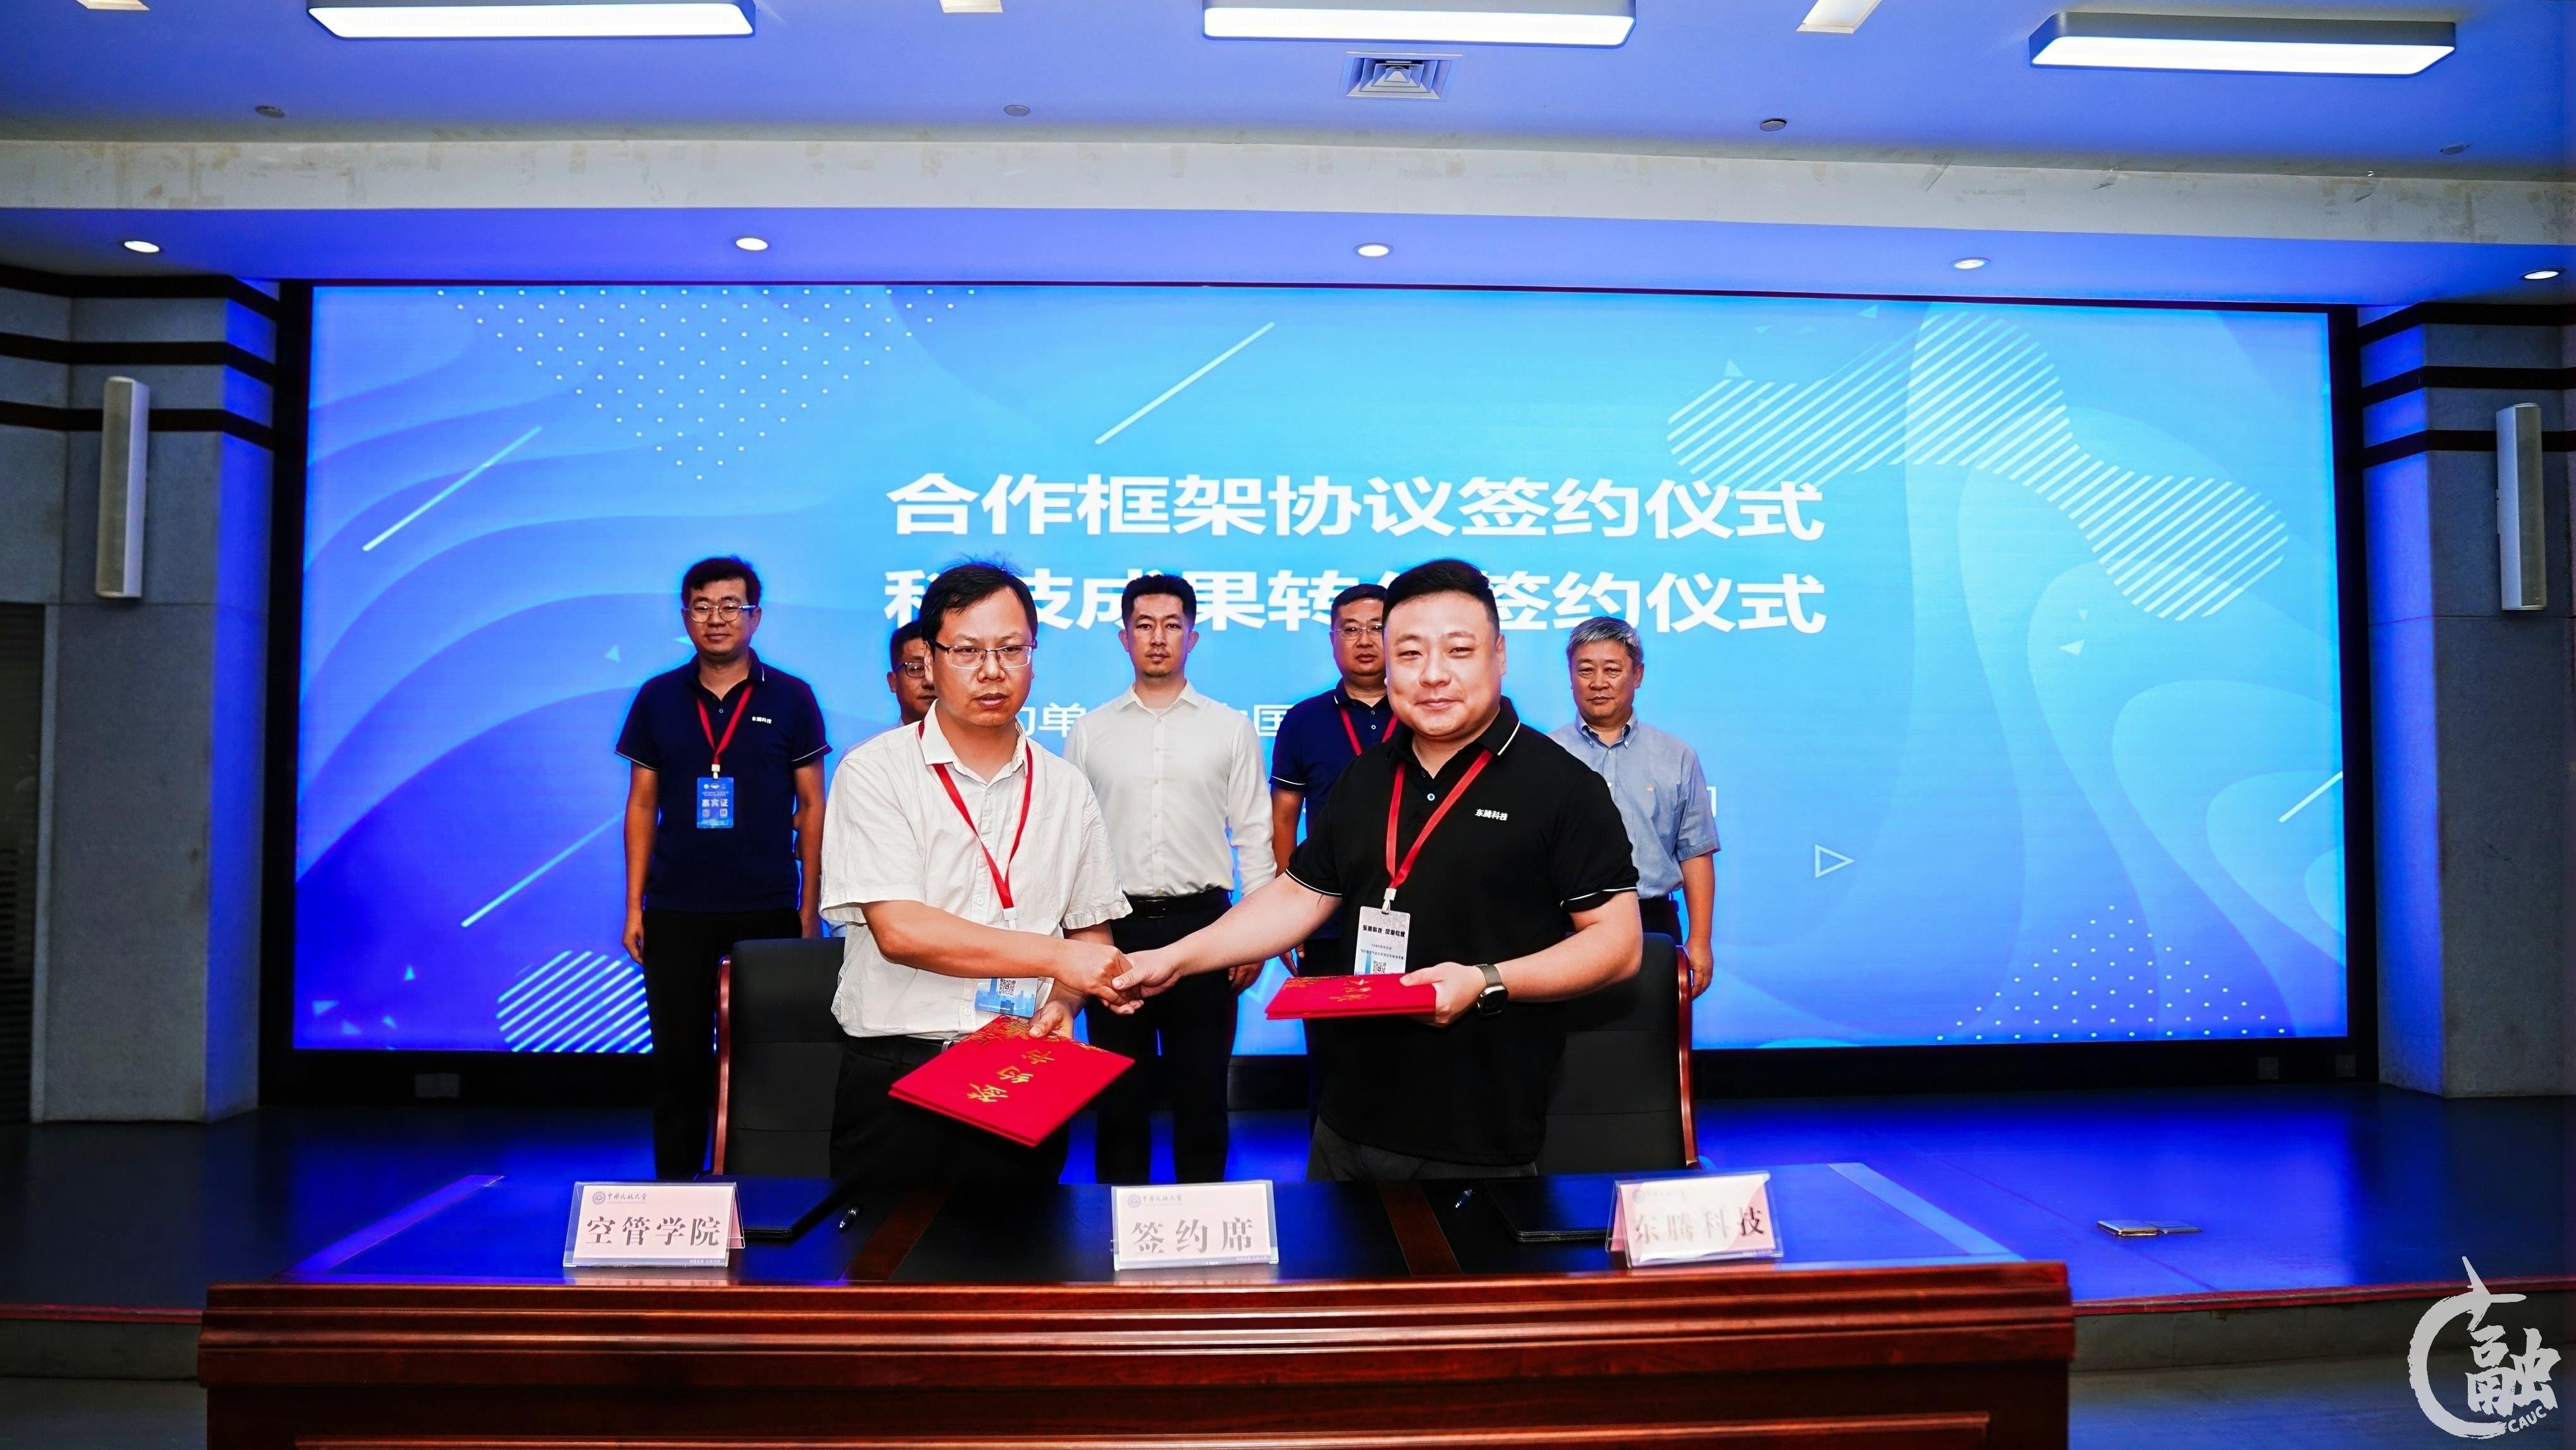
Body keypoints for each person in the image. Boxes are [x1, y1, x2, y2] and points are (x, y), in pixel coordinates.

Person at [1116, 559, 1641, 1180]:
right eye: (1410, 654)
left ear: (1499, 654)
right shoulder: (1365, 777)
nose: (1433, 675)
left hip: (1481, 1131)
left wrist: (1485, 980)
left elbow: (1617, 945)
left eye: (1458, 650)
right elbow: (1299, 898)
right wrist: (1175, 958)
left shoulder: (1560, 786)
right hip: (1347, 1118)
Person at [817, 561, 1135, 1186]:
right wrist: (1057, 959)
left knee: (1023, 1244)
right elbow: (901, 932)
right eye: (967, 651)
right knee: (888, 1247)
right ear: (930, 662)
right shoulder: (874, 772)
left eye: (1011, 650)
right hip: (900, 1075)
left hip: (1023, 1068)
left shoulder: (1066, 786)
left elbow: (1089, 932)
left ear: (1033, 657)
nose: (992, 670)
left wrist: (1064, 1000)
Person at [617, 556, 830, 1180]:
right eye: (703, 606)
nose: (717, 619)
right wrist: (633, 907)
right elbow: (641, 804)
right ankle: (676, 1195)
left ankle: (762, 1192)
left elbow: (812, 807)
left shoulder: (791, 697)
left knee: (766, 1064)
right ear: (685, 616)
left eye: (731, 606)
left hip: (766, 906)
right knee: (678, 1062)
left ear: (754, 617)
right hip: (676, 907)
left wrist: (808, 909)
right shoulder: (657, 697)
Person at [1063, 575, 1274, 1184]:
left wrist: (1255, 935)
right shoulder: (1090, 731)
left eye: (1172, 625)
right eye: (1145, 625)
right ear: (1124, 637)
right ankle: (1113, 1221)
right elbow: (1069, 840)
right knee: (1117, 1094)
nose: (1158, 638)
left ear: (1193, 636)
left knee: (1202, 1091)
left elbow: (1253, 835)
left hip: (1206, 928)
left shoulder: (1229, 727)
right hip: (1114, 931)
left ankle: (1204, 1220)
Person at [1551, 616, 1720, 1000]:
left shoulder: (1676, 756)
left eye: (1612, 670)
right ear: (1571, 676)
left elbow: (1695, 852)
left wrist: (1700, 940)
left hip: (1652, 922)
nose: (1598, 682)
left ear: (1637, 675)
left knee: (1652, 1031)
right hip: (1563, 924)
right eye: (1585, 670)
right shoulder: (1544, 754)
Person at [1266, 582, 1391, 978]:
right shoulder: (1304, 719)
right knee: (1328, 1016)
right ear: (1333, 639)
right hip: (1324, 908)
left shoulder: (1425, 712)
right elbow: (1284, 817)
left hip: (1415, 906)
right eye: (1351, 629)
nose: (1365, 640)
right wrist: (1288, 909)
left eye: (1378, 628)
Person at [885, 618, 936, 726]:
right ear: (893, 682)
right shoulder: (881, 739)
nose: (929, 682)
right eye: (916, 668)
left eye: (936, 668)